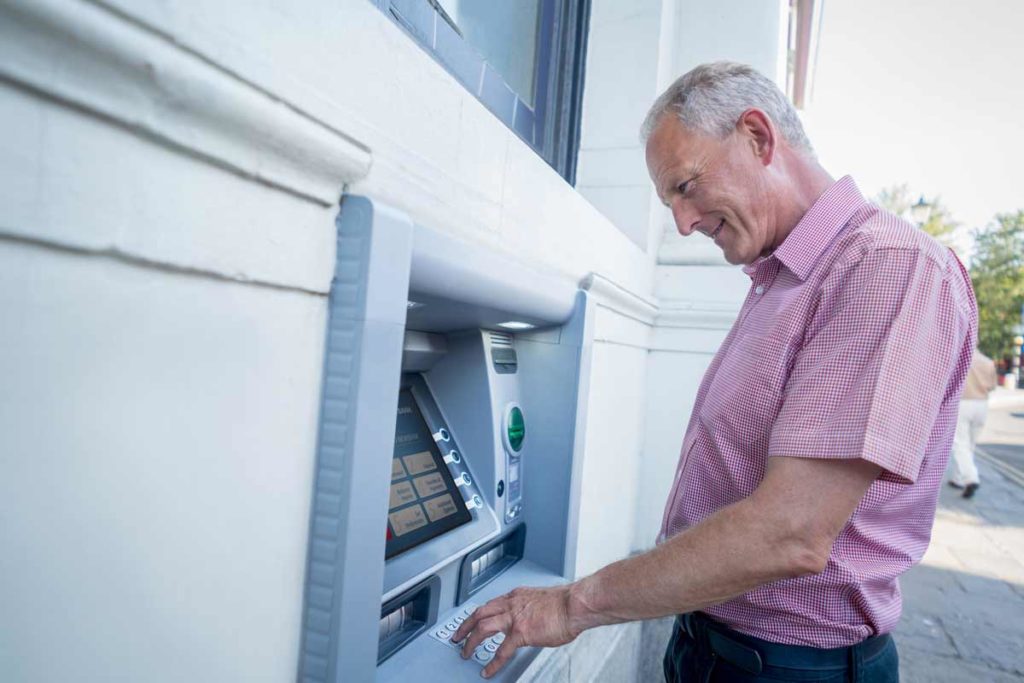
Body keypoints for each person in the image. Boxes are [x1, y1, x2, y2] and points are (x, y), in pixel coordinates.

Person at [453, 62, 977, 682]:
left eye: (686, 186)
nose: (682, 222)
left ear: (758, 137)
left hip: (790, 667)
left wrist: (573, 605)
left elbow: (791, 532)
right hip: (712, 643)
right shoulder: (781, 278)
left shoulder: (886, 268)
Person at [948, 348, 999, 498]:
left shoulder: (960, 358)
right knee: (970, 444)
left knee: (960, 444)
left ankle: (971, 479)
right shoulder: (988, 362)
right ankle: (958, 478)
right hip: (982, 404)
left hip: (964, 403)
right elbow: (992, 386)